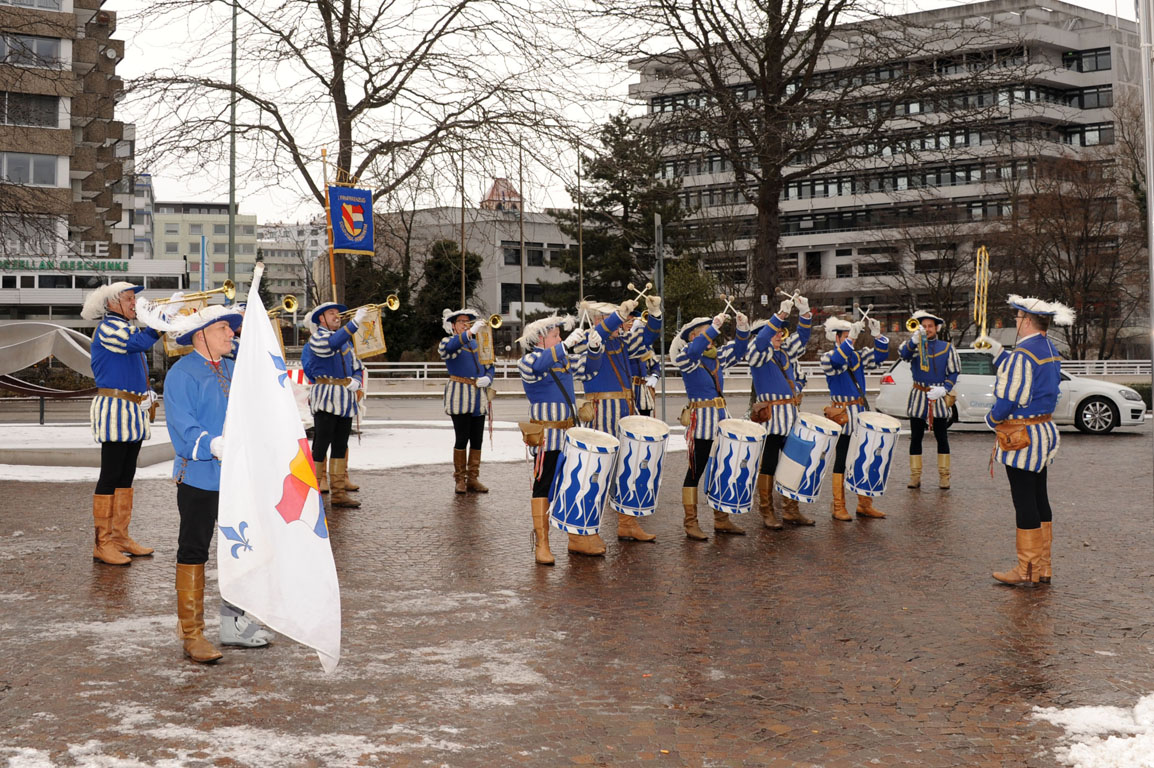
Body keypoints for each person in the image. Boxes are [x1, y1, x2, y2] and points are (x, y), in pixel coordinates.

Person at [163, 305, 273, 663]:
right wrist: (211, 443)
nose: (231, 335)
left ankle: (233, 624)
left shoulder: (231, 368)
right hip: (198, 478)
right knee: (194, 550)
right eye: (224, 328)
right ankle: (191, 633)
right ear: (201, 334)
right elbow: (183, 425)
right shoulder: (182, 373)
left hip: (237, 478)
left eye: (232, 329)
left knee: (238, 549)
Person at [977, 295, 1072, 586]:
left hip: (1022, 436)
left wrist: (991, 420)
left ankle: (1026, 569)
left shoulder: (1022, 354)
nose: (1015, 321)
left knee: (1024, 500)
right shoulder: (1049, 348)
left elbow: (1008, 397)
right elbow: (1031, 374)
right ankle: (1043, 567)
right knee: (1039, 496)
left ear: (1027, 320)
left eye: (1017, 318)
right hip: (1043, 431)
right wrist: (997, 352)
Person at [81, 281, 168, 566]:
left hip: (131, 409)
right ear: (111, 304)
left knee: (125, 475)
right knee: (111, 475)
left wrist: (146, 392)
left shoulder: (126, 326)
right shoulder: (110, 328)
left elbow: (134, 358)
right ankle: (101, 542)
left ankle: (119, 537)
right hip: (115, 410)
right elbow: (139, 343)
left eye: (134, 298)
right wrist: (159, 321)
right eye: (129, 299)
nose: (134, 303)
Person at [572, 296, 660, 541]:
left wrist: (654, 313)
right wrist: (617, 318)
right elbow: (598, 336)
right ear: (599, 319)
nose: (620, 324)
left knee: (626, 470)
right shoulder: (586, 341)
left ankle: (627, 524)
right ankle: (587, 529)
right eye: (613, 319)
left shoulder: (622, 342)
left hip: (625, 410)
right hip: (601, 413)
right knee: (597, 472)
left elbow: (648, 338)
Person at [517, 315, 604, 563]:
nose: (560, 339)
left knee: (573, 485)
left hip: (569, 435)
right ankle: (542, 544)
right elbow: (538, 366)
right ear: (541, 338)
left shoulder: (561, 356)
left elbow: (589, 372)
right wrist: (563, 347)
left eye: (559, 336)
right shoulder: (529, 360)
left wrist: (595, 349)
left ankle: (576, 538)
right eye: (555, 336)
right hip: (546, 438)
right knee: (543, 486)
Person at [673, 311, 751, 540]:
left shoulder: (716, 357)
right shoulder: (686, 356)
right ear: (693, 337)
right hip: (701, 424)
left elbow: (739, 350)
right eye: (705, 333)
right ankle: (690, 522)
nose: (711, 338)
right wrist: (713, 327)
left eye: (712, 332)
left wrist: (742, 328)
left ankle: (722, 519)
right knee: (695, 472)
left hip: (721, 420)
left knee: (723, 468)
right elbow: (696, 350)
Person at [747, 294, 814, 529]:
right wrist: (779, 316)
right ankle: (766, 511)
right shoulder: (757, 355)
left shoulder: (784, 352)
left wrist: (804, 312)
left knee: (793, 463)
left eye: (779, 330)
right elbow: (759, 344)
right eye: (774, 331)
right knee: (767, 466)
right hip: (771, 421)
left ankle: (790, 509)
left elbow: (803, 338)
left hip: (791, 419)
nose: (779, 333)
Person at [819, 315, 889, 521]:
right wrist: (849, 343)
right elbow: (838, 361)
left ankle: (864, 504)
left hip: (860, 414)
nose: (852, 339)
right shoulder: (828, 356)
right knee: (841, 459)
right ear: (837, 337)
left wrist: (878, 335)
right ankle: (838, 505)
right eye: (847, 335)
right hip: (842, 416)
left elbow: (880, 357)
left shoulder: (857, 356)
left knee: (864, 459)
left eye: (853, 335)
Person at [302, 302, 366, 509]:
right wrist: (354, 323)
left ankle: (338, 493)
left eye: (338, 314)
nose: (337, 316)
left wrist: (356, 379)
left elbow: (357, 365)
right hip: (327, 397)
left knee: (340, 445)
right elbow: (329, 345)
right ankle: (312, 491)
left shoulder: (345, 341)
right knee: (321, 445)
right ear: (321, 318)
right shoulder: (318, 337)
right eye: (332, 313)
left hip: (345, 398)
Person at [899, 310, 961, 490]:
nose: (927, 329)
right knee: (916, 437)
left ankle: (944, 476)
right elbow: (904, 356)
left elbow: (954, 371)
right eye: (924, 326)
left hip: (938, 394)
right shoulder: (913, 345)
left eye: (930, 326)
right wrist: (914, 341)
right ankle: (915, 476)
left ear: (936, 328)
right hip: (919, 394)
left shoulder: (947, 347)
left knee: (942, 437)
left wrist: (945, 389)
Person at [438, 308, 496, 494]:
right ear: (453, 326)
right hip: (460, 395)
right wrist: (469, 333)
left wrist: (489, 377)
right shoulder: (448, 341)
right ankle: (459, 479)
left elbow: (490, 364)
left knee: (477, 439)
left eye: (468, 321)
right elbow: (450, 349)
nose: (465, 324)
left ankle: (473, 478)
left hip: (479, 396)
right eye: (461, 322)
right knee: (462, 438)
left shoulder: (479, 343)